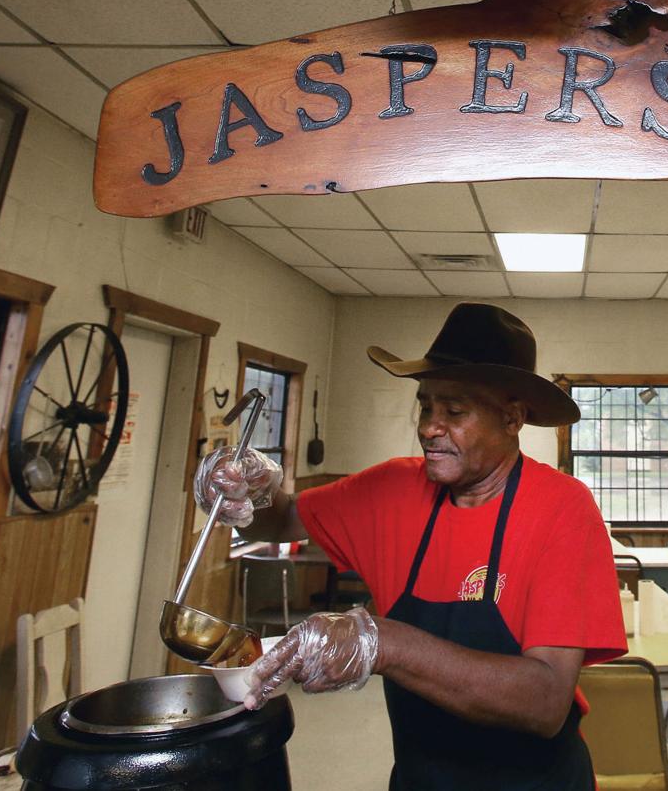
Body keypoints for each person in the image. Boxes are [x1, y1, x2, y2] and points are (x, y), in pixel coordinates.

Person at [195, 302, 626, 790]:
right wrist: (248, 491)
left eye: (454, 411)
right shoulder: (393, 489)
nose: (428, 427)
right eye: (425, 405)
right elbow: (278, 521)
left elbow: (546, 701)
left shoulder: (561, 509)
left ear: (512, 418)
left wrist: (384, 642)